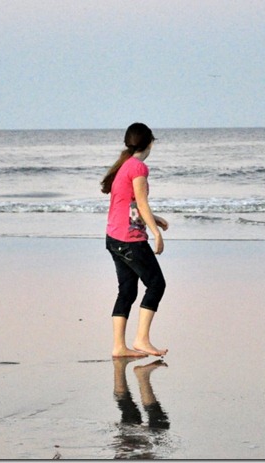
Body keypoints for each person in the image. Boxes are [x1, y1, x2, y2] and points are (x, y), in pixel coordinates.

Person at [101, 122, 168, 357]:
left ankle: (119, 347)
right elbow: (141, 202)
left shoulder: (125, 165)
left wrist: (154, 219)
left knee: (127, 291)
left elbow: (127, 204)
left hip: (114, 238)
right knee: (156, 284)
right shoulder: (138, 167)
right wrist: (156, 234)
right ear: (150, 143)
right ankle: (142, 340)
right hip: (129, 239)